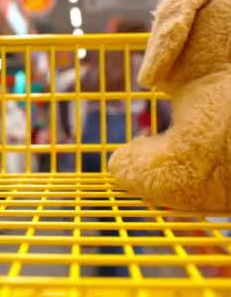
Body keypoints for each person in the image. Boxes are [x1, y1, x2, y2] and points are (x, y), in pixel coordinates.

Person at [59, 19, 172, 277]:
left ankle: (106, 275)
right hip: (122, 138)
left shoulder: (98, 62)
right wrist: (163, 134)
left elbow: (66, 92)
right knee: (129, 221)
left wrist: (70, 132)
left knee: (106, 218)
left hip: (91, 139)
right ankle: (124, 282)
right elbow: (163, 109)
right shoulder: (137, 64)